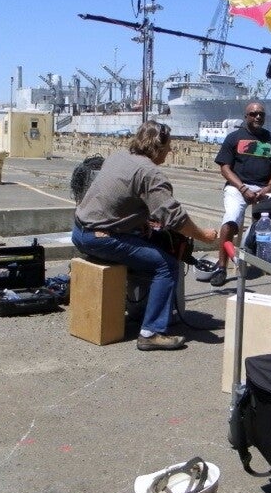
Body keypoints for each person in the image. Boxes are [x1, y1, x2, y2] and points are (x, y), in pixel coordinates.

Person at [71, 121, 218, 351]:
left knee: (145, 253)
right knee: (166, 265)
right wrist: (204, 236)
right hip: (100, 239)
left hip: (79, 232)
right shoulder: (150, 173)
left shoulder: (118, 157)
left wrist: (141, 222)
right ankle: (151, 332)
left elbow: (119, 201)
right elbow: (175, 219)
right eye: (169, 146)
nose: (170, 151)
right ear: (158, 147)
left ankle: (137, 310)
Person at [210, 101, 271, 286]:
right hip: (237, 187)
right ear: (246, 116)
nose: (258, 117)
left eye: (261, 114)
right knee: (230, 220)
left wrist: (269, 187)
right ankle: (221, 266)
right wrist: (242, 188)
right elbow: (225, 168)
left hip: (264, 189)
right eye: (253, 114)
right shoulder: (233, 138)